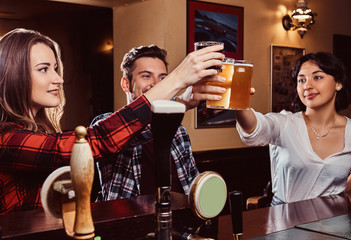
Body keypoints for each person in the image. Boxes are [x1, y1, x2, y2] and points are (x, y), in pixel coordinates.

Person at [0, 28, 225, 214]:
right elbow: (100, 140)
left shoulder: (38, 132)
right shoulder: (5, 139)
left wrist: (183, 102)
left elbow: (134, 134)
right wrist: (178, 79)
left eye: (56, 68)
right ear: (13, 74)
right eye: (44, 69)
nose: (58, 79)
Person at [91, 45, 228, 200]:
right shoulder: (103, 123)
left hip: (176, 220)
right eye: (146, 76)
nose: (157, 84)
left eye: (163, 79)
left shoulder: (179, 132)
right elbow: (135, 131)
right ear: (126, 84)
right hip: (128, 222)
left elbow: (192, 183)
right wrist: (183, 103)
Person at [234, 52, 351, 205]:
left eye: (317, 77)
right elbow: (254, 127)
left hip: (332, 223)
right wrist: (238, 102)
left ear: (338, 83)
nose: (307, 85)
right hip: (284, 220)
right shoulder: (285, 123)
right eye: (301, 80)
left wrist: (339, 193)